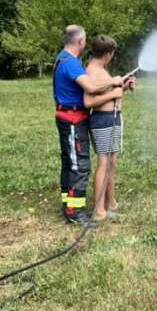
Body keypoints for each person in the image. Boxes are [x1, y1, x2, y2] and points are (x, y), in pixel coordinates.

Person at [53, 25, 132, 226]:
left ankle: (72, 204)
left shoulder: (70, 61)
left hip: (75, 117)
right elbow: (90, 90)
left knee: (73, 163)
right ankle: (75, 211)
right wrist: (115, 88)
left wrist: (118, 85)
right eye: (84, 40)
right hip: (72, 118)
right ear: (80, 41)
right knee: (79, 166)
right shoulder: (71, 64)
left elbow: (94, 89)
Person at [84, 36, 131, 223]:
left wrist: (123, 88)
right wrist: (114, 91)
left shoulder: (100, 70)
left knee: (111, 163)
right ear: (109, 53)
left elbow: (107, 94)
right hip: (103, 121)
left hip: (111, 120)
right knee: (104, 163)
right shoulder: (93, 71)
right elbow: (89, 101)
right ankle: (98, 210)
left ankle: (110, 203)